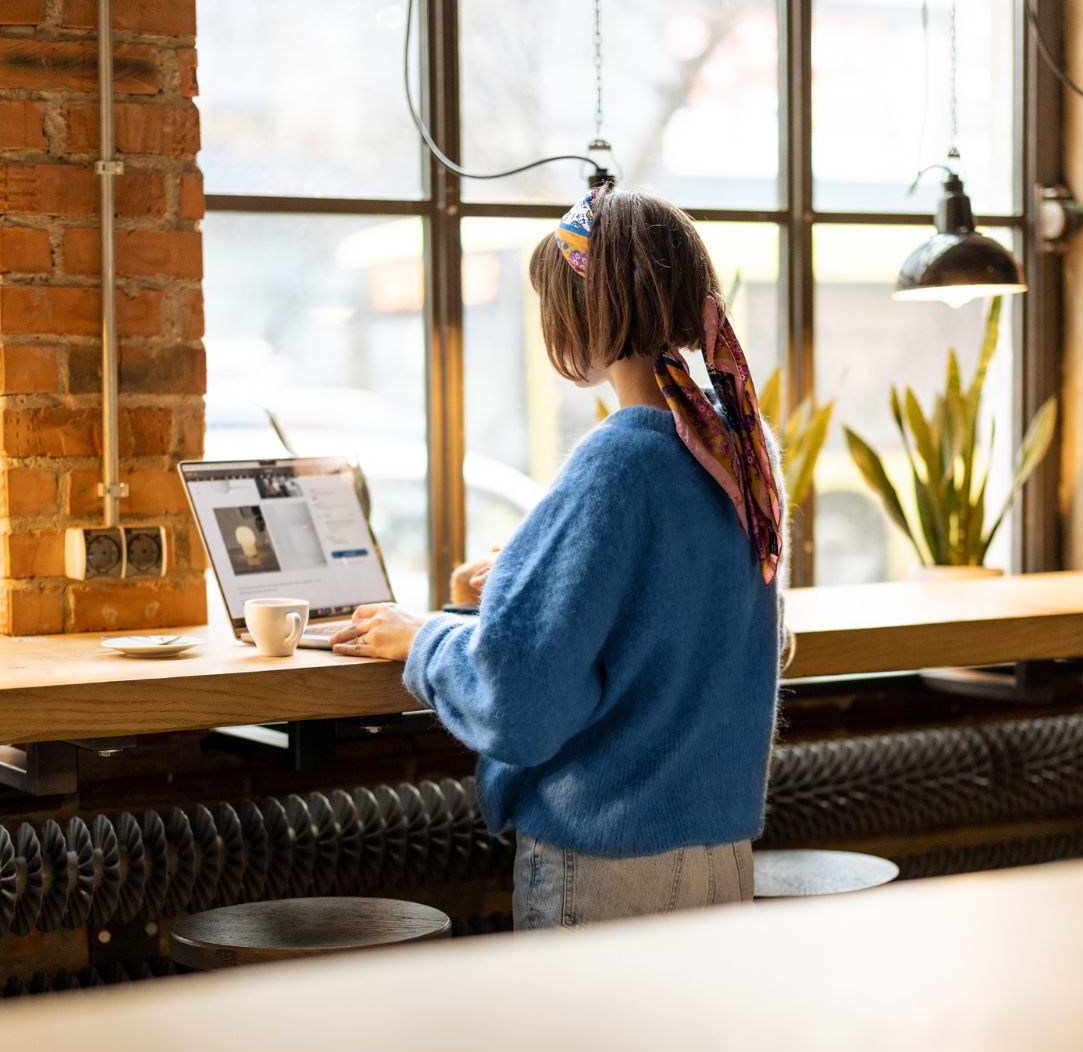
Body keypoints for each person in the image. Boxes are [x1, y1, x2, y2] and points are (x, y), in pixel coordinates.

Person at [329, 185, 786, 930]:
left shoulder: (617, 463)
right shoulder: (740, 448)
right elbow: (701, 621)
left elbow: (522, 705)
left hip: (607, 865)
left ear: (591, 313)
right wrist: (502, 593)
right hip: (720, 856)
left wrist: (426, 640)